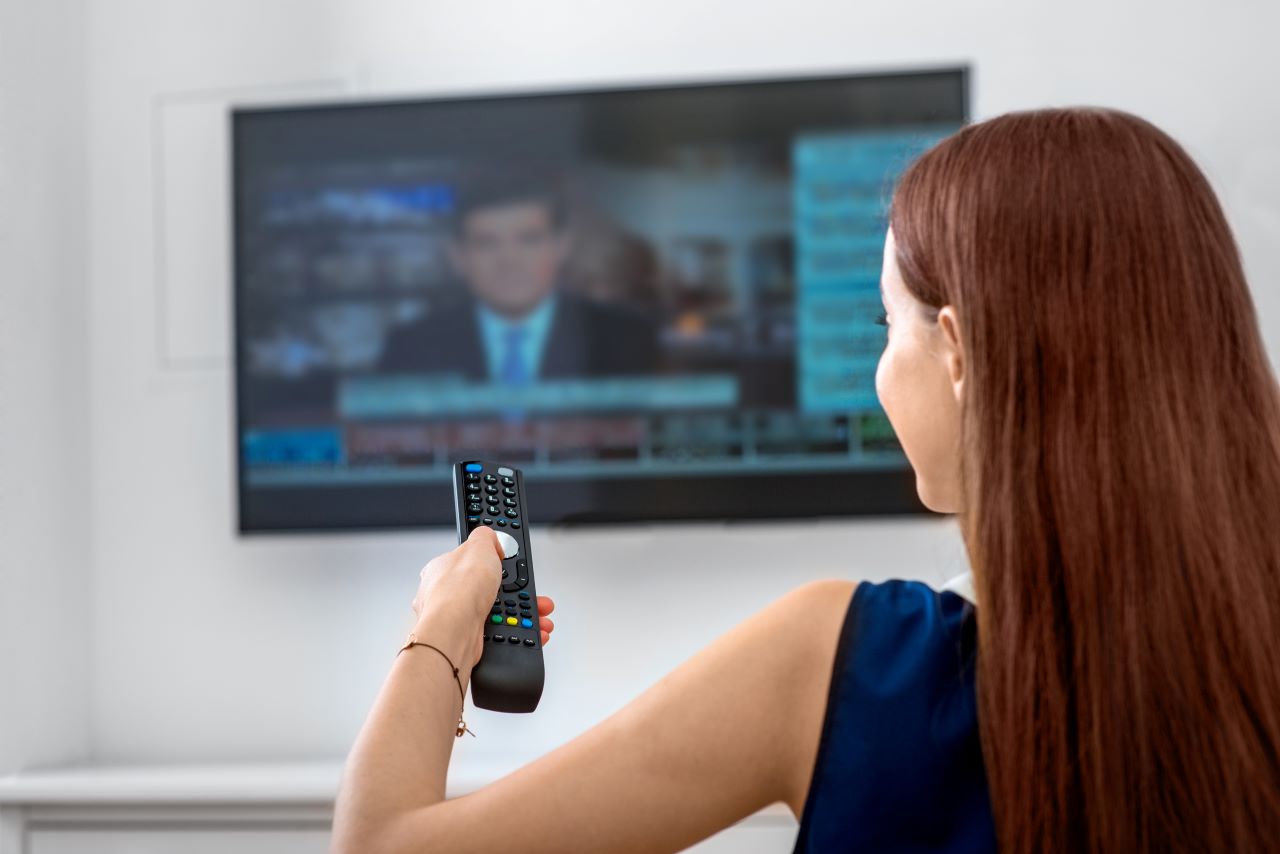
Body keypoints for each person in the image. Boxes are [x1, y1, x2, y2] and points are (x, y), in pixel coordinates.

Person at [332, 108, 1280, 853]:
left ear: (957, 354)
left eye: (885, 327)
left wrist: (441, 636)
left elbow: (383, 847)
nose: (880, 368)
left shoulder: (843, 661)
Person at [379, 170, 661, 383]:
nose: (509, 261)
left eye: (529, 239)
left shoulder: (626, 338)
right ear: (458, 256)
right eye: (486, 242)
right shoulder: (411, 346)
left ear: (562, 246)